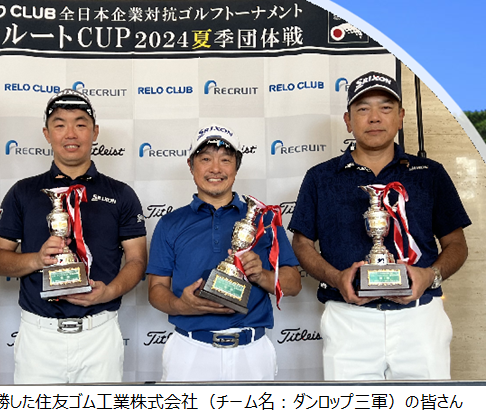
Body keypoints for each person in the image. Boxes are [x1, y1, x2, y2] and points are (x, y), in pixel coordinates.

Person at [288, 71, 470, 380]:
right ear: (348, 120)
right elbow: (302, 244)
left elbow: (457, 243)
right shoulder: (320, 177)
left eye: (385, 108)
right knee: (351, 403)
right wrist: (336, 278)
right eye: (363, 109)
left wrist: (429, 275)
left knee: (428, 403)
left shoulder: (430, 173)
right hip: (348, 319)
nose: (374, 117)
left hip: (421, 319)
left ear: (400, 117)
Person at [0, 89, 147, 384]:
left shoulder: (121, 194)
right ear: (47, 134)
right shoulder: (23, 192)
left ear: (95, 132)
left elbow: (137, 260)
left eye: (80, 124)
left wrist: (109, 291)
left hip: (100, 333)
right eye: (60, 125)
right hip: (39, 336)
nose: (70, 134)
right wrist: (37, 259)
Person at [146, 125, 301, 381]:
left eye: (225, 160)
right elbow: (156, 290)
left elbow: (294, 284)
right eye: (206, 159)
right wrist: (181, 305)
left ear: (236, 167)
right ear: (191, 165)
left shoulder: (263, 219)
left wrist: (261, 275)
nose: (215, 169)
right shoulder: (170, 223)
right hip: (189, 350)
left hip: (252, 351)